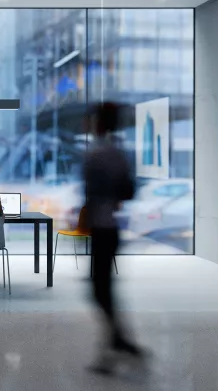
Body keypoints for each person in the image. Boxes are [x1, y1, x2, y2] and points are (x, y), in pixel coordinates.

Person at [82, 102, 144, 374]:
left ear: (99, 122)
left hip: (102, 227)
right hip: (109, 226)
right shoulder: (116, 153)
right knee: (103, 289)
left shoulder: (100, 154)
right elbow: (129, 190)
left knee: (100, 290)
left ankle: (114, 345)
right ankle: (118, 340)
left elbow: (94, 193)